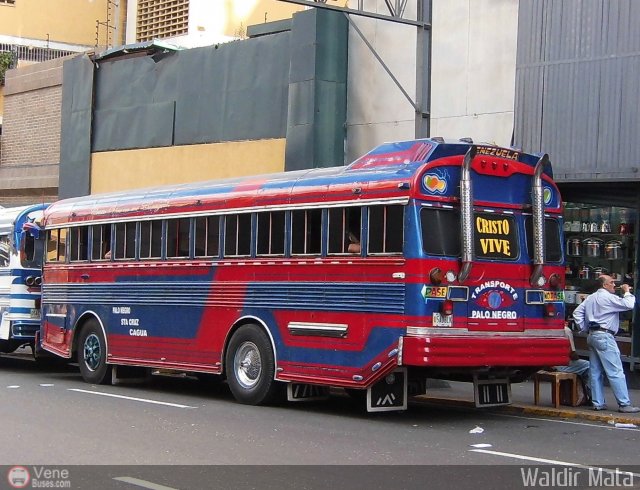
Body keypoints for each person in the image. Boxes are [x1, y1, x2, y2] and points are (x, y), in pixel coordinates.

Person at [572, 275, 640, 413]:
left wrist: (585, 328)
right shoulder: (607, 297)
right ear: (604, 285)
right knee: (615, 371)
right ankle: (624, 403)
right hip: (604, 335)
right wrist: (627, 291)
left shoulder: (591, 297)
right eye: (612, 282)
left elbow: (577, 312)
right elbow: (629, 304)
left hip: (592, 335)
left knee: (595, 371)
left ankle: (598, 403)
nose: (614, 285)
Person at [553, 326, 591, 404]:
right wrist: (578, 358)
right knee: (589, 366)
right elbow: (572, 354)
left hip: (549, 362)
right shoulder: (566, 330)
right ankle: (593, 396)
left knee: (582, 367)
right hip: (559, 364)